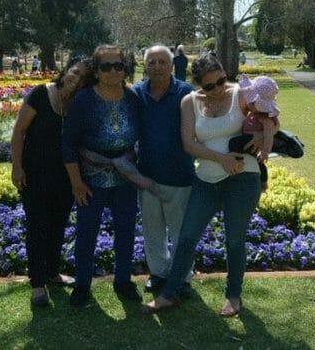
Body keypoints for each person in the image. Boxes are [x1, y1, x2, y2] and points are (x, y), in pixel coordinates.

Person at [143, 54, 262, 318]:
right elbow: (189, 144)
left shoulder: (242, 93)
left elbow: (267, 119)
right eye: (209, 86)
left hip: (243, 178)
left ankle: (233, 296)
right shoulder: (190, 102)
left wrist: (263, 133)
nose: (218, 89)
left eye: (221, 80)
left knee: (234, 240)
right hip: (206, 179)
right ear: (198, 85)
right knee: (186, 237)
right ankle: (169, 295)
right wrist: (221, 158)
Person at [62, 45, 143, 307]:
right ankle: (82, 284)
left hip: (125, 176)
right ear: (96, 72)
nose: (112, 71)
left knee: (126, 231)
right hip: (91, 177)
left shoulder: (132, 99)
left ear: (124, 69)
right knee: (86, 232)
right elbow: (68, 144)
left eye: (118, 66)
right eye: (105, 66)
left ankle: (123, 280)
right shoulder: (84, 100)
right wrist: (76, 182)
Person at [11, 57, 93, 307]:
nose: (75, 79)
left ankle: (52, 272)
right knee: (37, 228)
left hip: (66, 177)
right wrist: (17, 166)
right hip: (34, 175)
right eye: (74, 72)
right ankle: (37, 283)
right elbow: (19, 131)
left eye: (82, 78)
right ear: (66, 70)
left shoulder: (79, 105)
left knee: (58, 225)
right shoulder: (40, 94)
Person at [132, 45, 195, 297]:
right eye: (152, 62)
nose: (157, 66)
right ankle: (157, 274)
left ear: (172, 65)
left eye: (162, 62)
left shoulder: (185, 93)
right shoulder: (137, 94)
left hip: (179, 175)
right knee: (153, 230)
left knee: (180, 232)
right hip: (146, 175)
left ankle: (182, 278)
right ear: (144, 66)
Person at [233, 74, 280, 189]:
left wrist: (265, 151)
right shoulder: (254, 113)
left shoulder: (264, 117)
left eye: (251, 101)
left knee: (234, 145)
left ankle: (263, 182)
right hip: (249, 139)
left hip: (253, 142)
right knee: (257, 161)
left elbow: (269, 134)